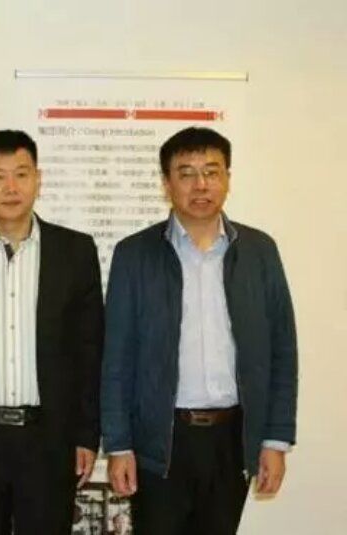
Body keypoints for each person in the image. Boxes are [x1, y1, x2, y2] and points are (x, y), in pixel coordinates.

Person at [101, 126, 298, 534]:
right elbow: (116, 358)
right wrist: (118, 444)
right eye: (186, 173)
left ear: (227, 177)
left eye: (211, 171)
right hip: (161, 441)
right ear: (166, 183)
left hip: (233, 438)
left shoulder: (259, 252)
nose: (201, 184)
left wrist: (275, 440)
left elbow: (283, 350)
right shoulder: (134, 255)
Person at [0, 129, 104, 534]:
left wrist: (86, 434)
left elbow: (89, 349)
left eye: (22, 174)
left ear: (38, 180)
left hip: (49, 438)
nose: (11, 187)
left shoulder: (75, 252)